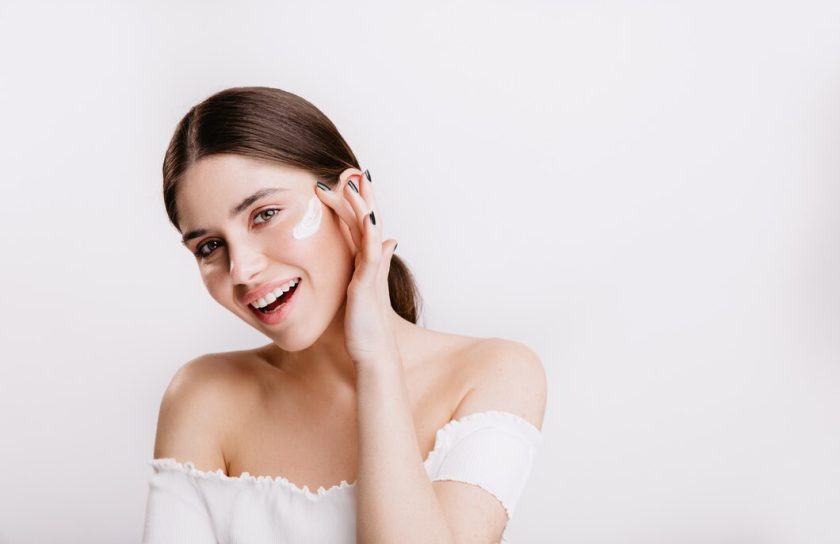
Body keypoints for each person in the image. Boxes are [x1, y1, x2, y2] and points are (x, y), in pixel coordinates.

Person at [141, 86, 547, 544]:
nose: (242, 269)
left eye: (265, 214)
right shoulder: (203, 396)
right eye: (210, 247)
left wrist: (375, 359)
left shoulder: (493, 374)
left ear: (352, 197)